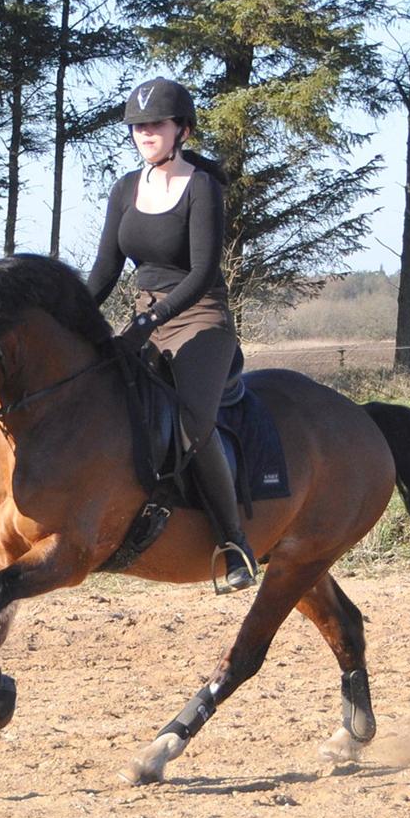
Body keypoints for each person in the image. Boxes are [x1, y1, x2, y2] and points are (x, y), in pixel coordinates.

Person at [87, 76, 258, 593]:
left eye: (155, 124)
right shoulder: (124, 189)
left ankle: (235, 546)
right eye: (138, 127)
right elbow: (103, 270)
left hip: (199, 318)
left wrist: (148, 323)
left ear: (182, 129)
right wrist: (67, 310)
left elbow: (203, 272)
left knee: (189, 423)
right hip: (142, 317)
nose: (145, 133)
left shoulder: (201, 187)